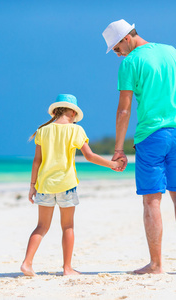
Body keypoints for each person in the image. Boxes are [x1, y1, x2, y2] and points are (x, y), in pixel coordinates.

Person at [102, 19, 176, 274]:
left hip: (151, 135)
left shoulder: (130, 62)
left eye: (116, 48)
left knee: (151, 200)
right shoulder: (172, 51)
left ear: (126, 38)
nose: (117, 54)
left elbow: (124, 108)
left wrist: (118, 148)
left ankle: (156, 264)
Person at [21, 94, 124, 276]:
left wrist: (32, 186)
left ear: (56, 111)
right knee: (67, 226)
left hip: (45, 185)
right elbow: (90, 156)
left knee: (41, 227)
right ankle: (67, 268)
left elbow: (37, 161)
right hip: (66, 185)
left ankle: (27, 263)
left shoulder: (42, 130)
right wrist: (113, 165)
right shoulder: (76, 130)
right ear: (71, 112)